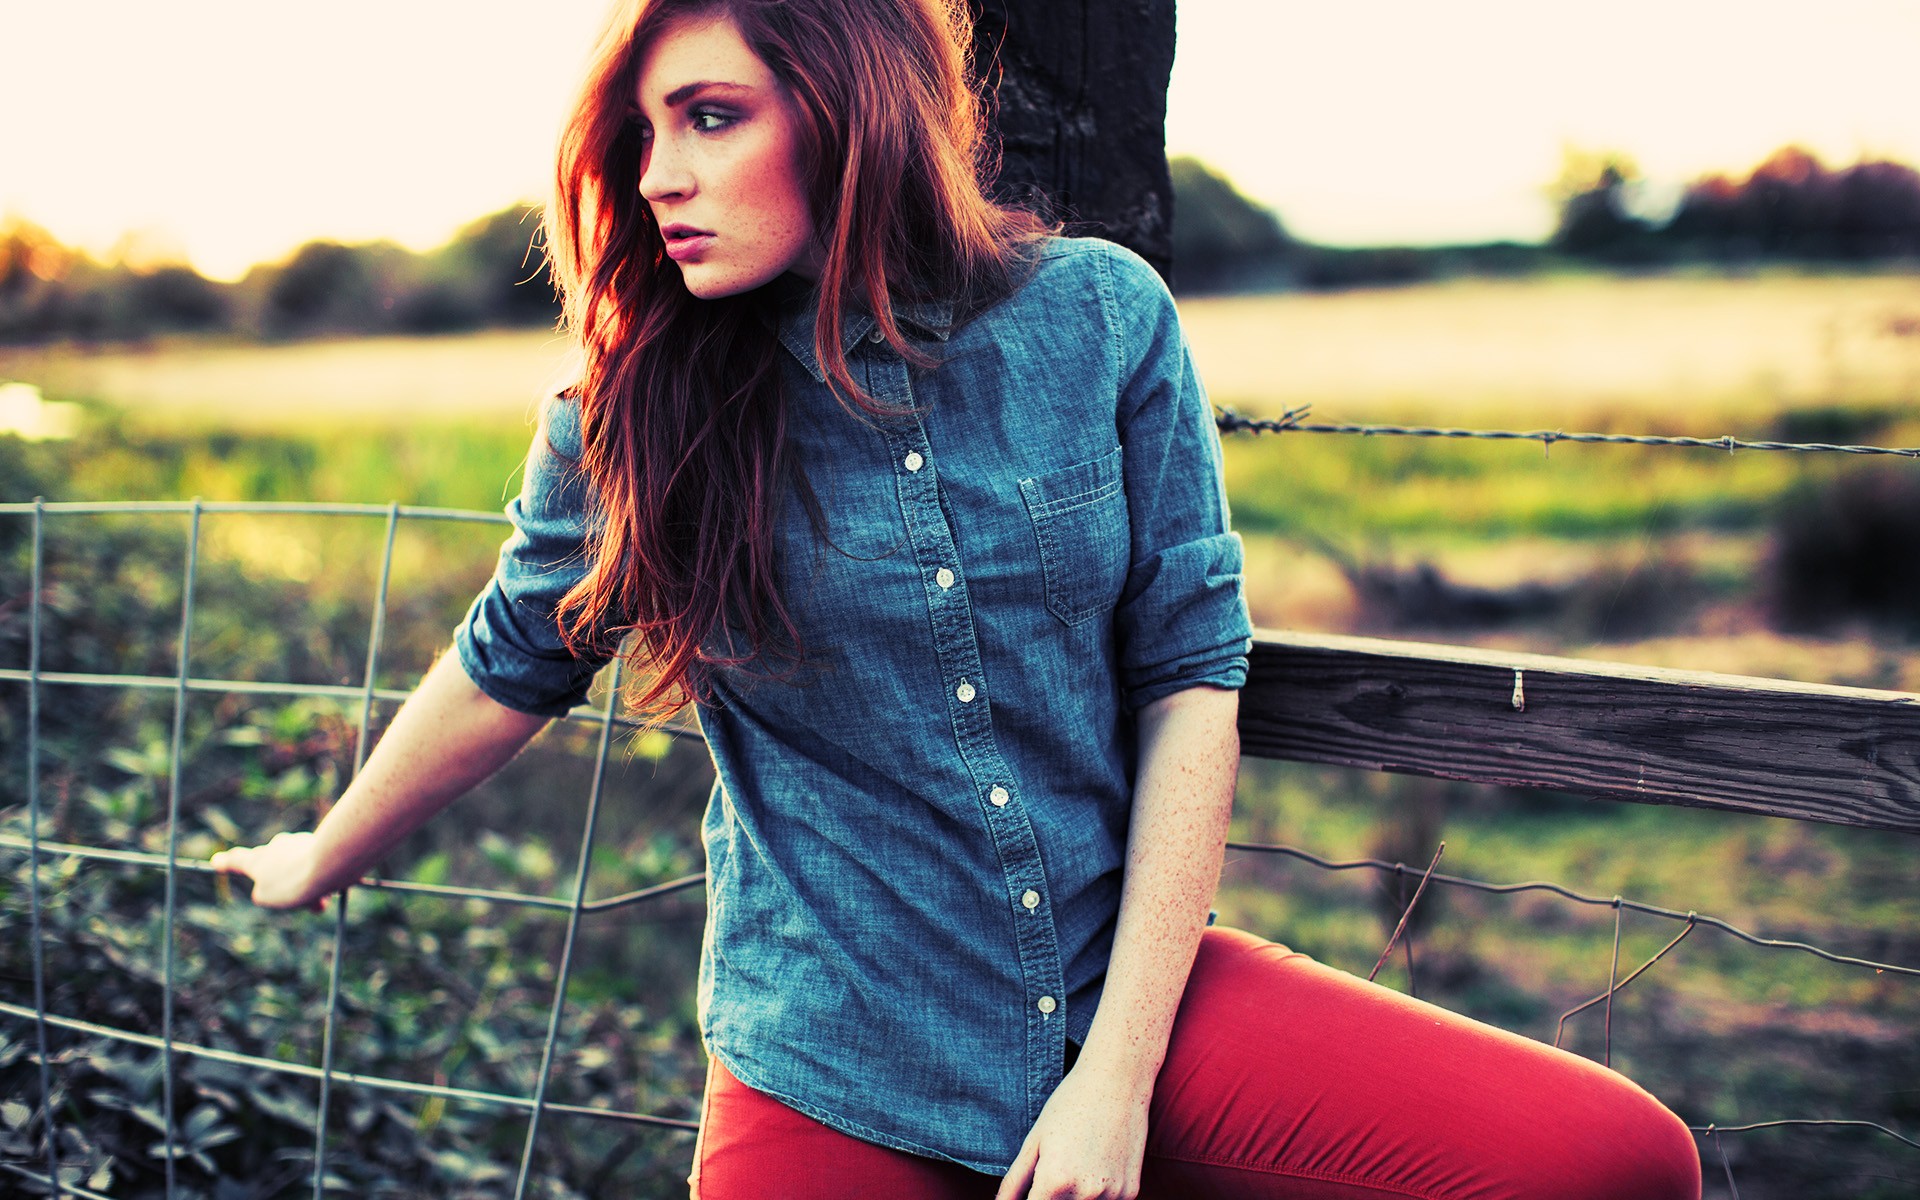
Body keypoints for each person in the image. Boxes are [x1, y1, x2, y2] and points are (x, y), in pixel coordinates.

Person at [212, 1, 1705, 1196]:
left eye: (711, 117)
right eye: (643, 133)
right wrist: (320, 856)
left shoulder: (1099, 318)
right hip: (834, 1057)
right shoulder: (632, 413)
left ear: (848, 105)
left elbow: (1191, 677)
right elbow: (507, 665)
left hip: (1123, 990)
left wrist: (1118, 1080)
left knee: (1609, 1160)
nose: (658, 173)